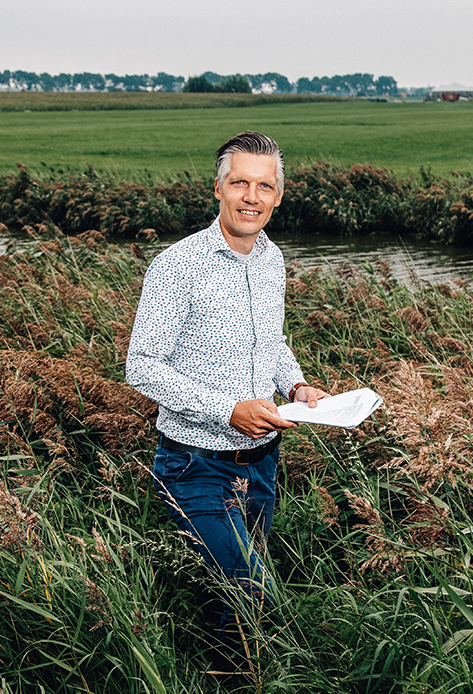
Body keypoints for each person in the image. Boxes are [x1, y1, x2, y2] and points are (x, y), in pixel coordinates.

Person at [125, 131, 329, 667]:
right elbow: (141, 367)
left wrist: (296, 385)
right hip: (195, 464)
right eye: (240, 182)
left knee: (234, 597)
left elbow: (271, 339)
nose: (251, 197)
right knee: (253, 589)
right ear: (217, 188)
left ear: (279, 196)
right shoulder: (177, 264)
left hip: (263, 463)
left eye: (264, 186)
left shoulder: (271, 259)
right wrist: (227, 409)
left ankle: (226, 670)